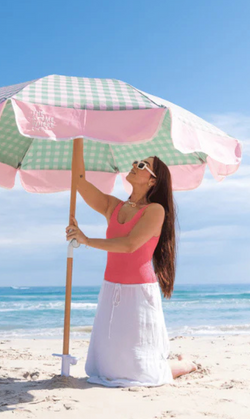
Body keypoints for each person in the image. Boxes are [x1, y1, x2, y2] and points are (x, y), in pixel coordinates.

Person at [65, 141, 197, 387]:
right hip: (110, 289)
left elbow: (129, 245)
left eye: (143, 165)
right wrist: (78, 139)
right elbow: (79, 181)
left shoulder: (155, 210)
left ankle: (185, 364)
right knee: (108, 368)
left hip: (139, 293)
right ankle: (177, 362)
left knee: (143, 371)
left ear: (152, 181)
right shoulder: (113, 206)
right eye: (136, 162)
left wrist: (85, 240)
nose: (135, 165)